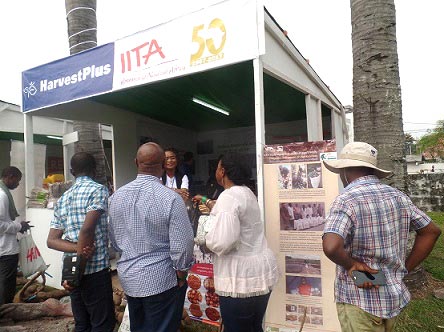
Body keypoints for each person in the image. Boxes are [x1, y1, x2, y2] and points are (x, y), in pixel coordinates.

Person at [322, 142, 441, 332]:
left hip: (359, 299)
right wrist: (405, 268)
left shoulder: (347, 200)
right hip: (391, 298)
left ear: (344, 171)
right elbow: (431, 231)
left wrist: (351, 264)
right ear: (372, 170)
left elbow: (331, 246)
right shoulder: (398, 196)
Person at [108, 142, 194, 332]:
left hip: (129, 278)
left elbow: (114, 241)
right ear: (163, 164)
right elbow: (184, 245)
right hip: (162, 280)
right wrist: (181, 274)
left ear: (135, 162)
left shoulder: (116, 197)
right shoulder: (171, 198)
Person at [196, 152, 279, 332]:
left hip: (240, 280)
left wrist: (204, 241)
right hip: (258, 274)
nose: (216, 171)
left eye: (217, 167)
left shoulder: (228, 196)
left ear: (223, 171)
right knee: (254, 327)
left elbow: (223, 241)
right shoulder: (247, 192)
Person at [47, 152, 115, 332]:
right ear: (95, 170)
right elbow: (87, 230)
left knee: (82, 323)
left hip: (70, 271)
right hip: (93, 270)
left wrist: (73, 272)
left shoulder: (64, 198)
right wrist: (81, 261)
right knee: (102, 324)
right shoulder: (98, 190)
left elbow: (52, 240)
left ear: (71, 171)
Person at [0, 166, 31, 305]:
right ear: (10, 176)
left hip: (5, 248)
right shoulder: (2, 195)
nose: (18, 184)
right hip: (5, 249)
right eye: (17, 180)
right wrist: (19, 226)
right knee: (6, 285)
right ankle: (5, 314)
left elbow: (5, 220)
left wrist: (19, 224)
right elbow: (1, 225)